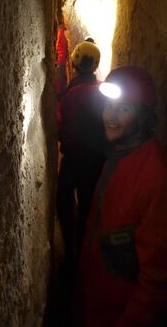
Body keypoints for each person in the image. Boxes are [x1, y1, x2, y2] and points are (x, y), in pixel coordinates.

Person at [77, 66, 167, 327]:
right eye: (108, 106)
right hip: (96, 308)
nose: (110, 116)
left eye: (123, 108)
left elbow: (159, 283)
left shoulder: (155, 178)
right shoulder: (119, 156)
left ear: (144, 118)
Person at [57, 41, 106, 262]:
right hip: (96, 160)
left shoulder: (69, 95)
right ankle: (85, 253)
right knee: (88, 206)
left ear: (74, 64)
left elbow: (60, 124)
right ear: (95, 67)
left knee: (64, 201)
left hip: (73, 159)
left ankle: (70, 251)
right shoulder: (102, 91)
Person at [55, 21, 70, 101]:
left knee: (60, 79)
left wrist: (59, 62)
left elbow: (61, 49)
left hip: (61, 62)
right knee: (61, 80)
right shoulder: (63, 33)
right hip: (62, 62)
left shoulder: (61, 33)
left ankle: (59, 94)